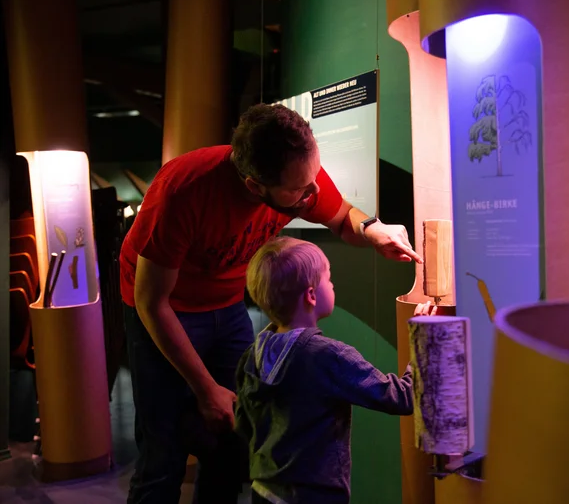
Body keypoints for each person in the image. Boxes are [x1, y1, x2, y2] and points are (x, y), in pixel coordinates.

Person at [119, 103, 423, 504]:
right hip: (165, 312)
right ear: (254, 186)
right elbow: (151, 301)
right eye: (299, 190)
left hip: (226, 306)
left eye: (313, 178)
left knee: (232, 446)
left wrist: (373, 229)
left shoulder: (298, 172)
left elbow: (341, 216)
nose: (313, 193)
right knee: (163, 455)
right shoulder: (183, 191)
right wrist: (206, 388)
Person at [236, 237, 431, 504]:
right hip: (314, 497)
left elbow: (243, 427)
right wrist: (422, 339)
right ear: (312, 295)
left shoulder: (251, 357)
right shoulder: (328, 356)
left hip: (264, 492)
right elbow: (403, 397)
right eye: (329, 278)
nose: (333, 284)